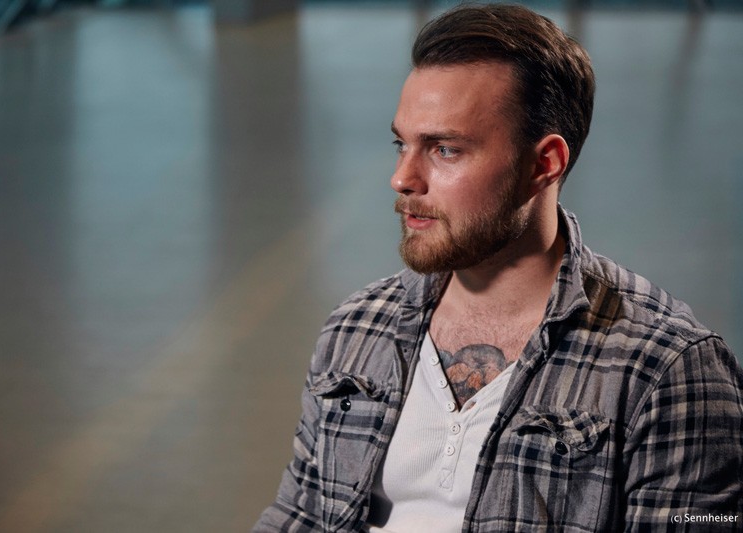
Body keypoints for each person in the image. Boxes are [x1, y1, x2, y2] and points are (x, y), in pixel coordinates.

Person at [255, 4, 743, 532]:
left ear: (544, 164)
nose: (402, 178)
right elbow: (299, 516)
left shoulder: (667, 369)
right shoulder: (356, 328)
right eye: (402, 144)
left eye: (445, 150)